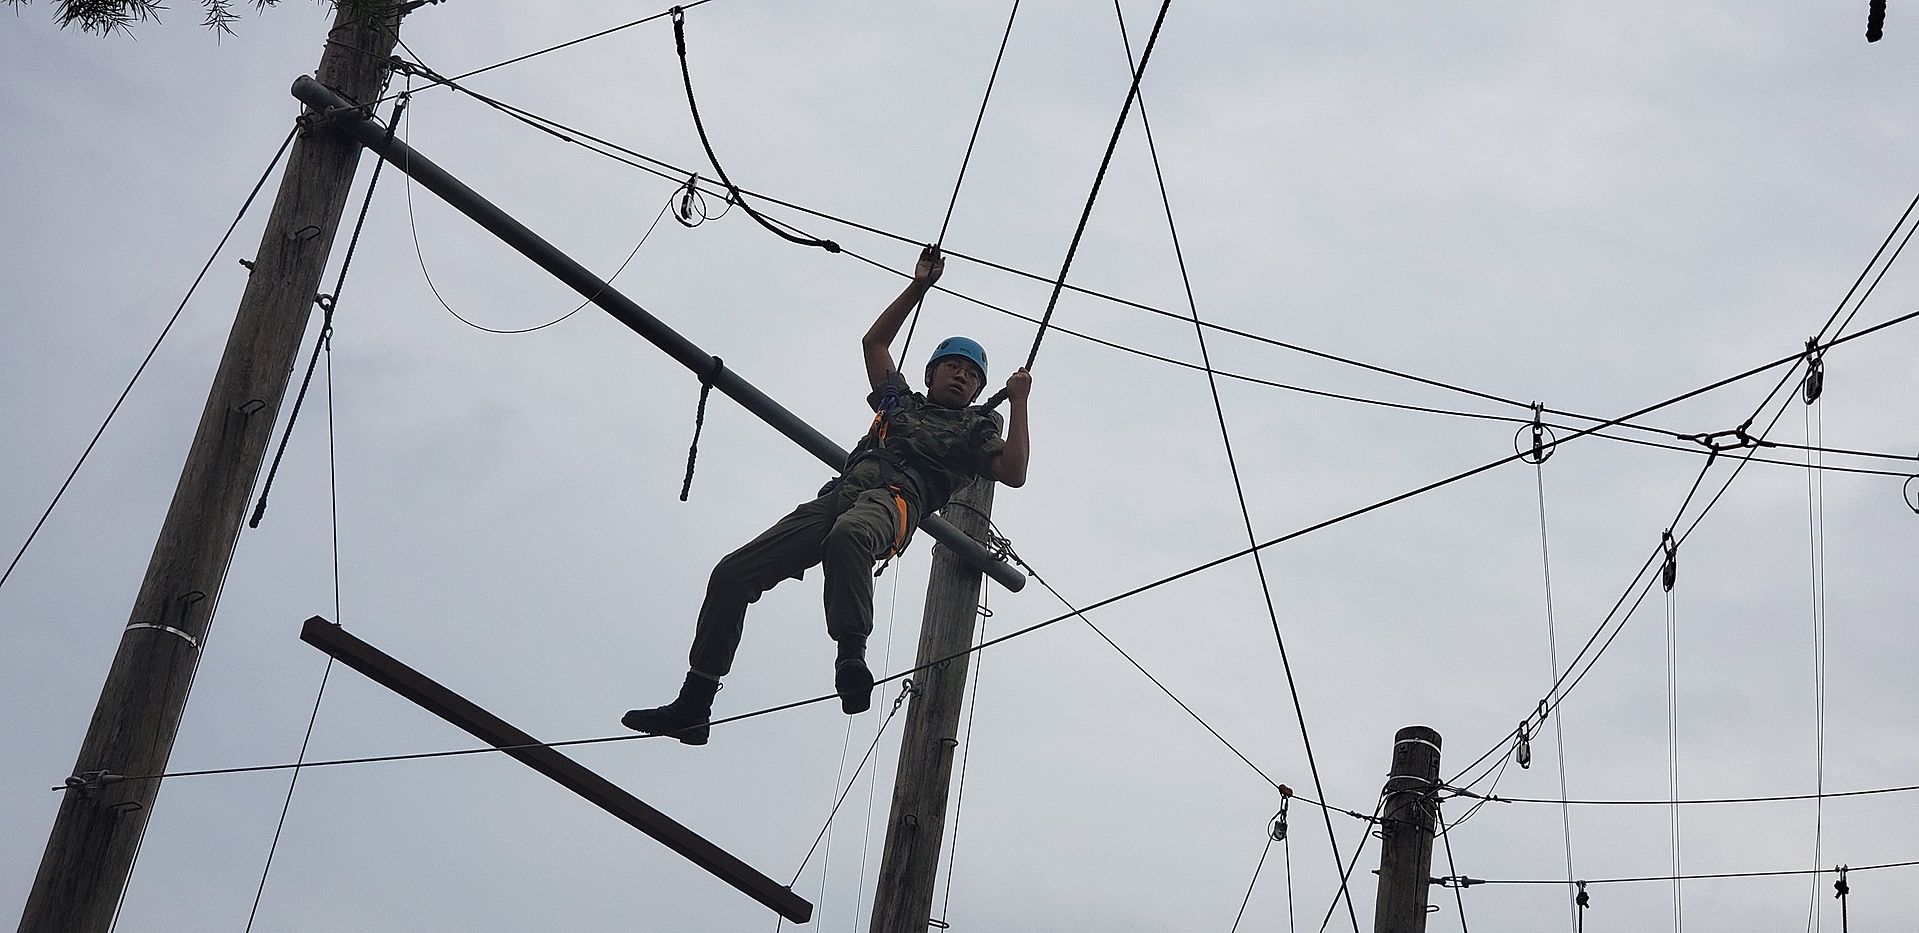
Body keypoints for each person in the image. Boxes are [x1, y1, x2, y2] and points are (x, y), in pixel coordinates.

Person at [623, 246, 1032, 745]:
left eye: (971, 375)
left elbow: (1014, 472)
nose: (961, 375)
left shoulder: (976, 428)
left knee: (851, 535)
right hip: (841, 494)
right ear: (931, 374)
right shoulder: (899, 402)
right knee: (732, 574)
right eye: (952, 366)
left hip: (896, 500)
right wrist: (919, 285)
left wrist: (1020, 403)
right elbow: (874, 342)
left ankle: (851, 656)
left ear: (977, 391)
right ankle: (695, 702)